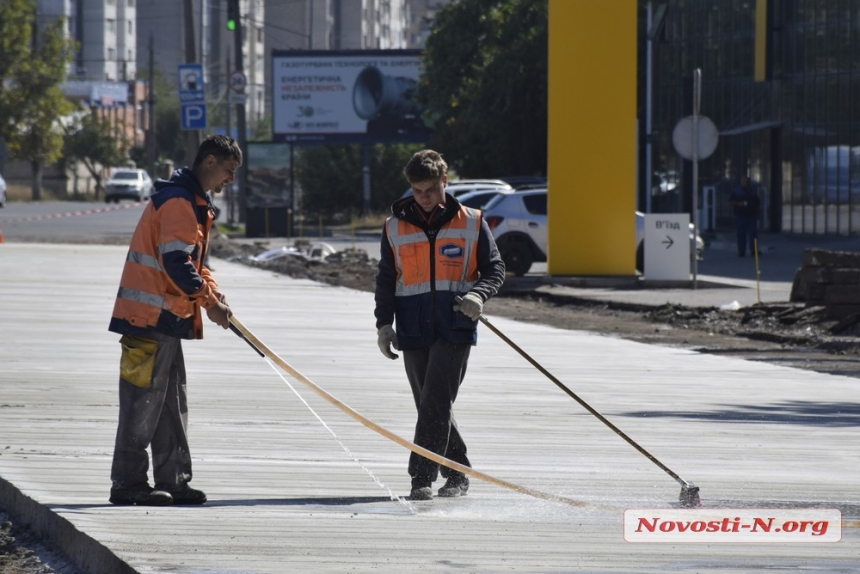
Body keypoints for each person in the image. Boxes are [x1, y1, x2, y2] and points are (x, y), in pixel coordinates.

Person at [108, 135, 242, 506]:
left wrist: (214, 296)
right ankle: (128, 484)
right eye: (229, 171)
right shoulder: (180, 202)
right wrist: (208, 303)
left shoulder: (194, 202)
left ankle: (174, 481)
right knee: (140, 406)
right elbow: (176, 263)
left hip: (166, 319)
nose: (230, 179)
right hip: (146, 319)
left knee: (170, 405)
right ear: (210, 161)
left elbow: (195, 265)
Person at [374, 150, 506, 501]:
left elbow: (495, 269)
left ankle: (421, 478)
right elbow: (387, 280)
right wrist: (383, 325)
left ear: (445, 182)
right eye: (416, 190)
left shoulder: (472, 221)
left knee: (435, 401)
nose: (424, 197)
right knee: (432, 405)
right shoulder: (393, 227)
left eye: (430, 189)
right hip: (412, 328)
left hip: (455, 325)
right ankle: (458, 473)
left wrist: (478, 295)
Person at [729, 175, 761, 257]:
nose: (745, 183)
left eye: (747, 182)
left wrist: (758, 214)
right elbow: (731, 201)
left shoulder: (753, 191)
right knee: (741, 234)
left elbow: (757, 203)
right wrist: (739, 204)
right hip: (740, 215)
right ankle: (741, 251)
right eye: (744, 182)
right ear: (741, 182)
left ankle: (754, 250)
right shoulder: (737, 191)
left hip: (751, 215)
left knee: (753, 234)